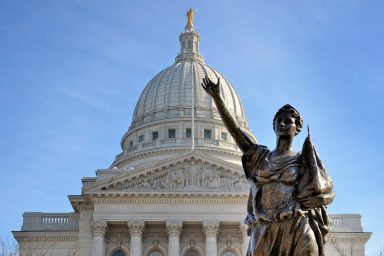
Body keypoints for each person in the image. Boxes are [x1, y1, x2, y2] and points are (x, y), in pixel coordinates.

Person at [202, 76, 334, 256]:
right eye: (279, 121)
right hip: (265, 227)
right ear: (273, 127)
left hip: (295, 224)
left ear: (298, 128)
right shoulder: (259, 157)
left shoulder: (303, 161)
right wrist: (217, 98)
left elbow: (322, 193)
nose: (282, 124)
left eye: (288, 121)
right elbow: (235, 132)